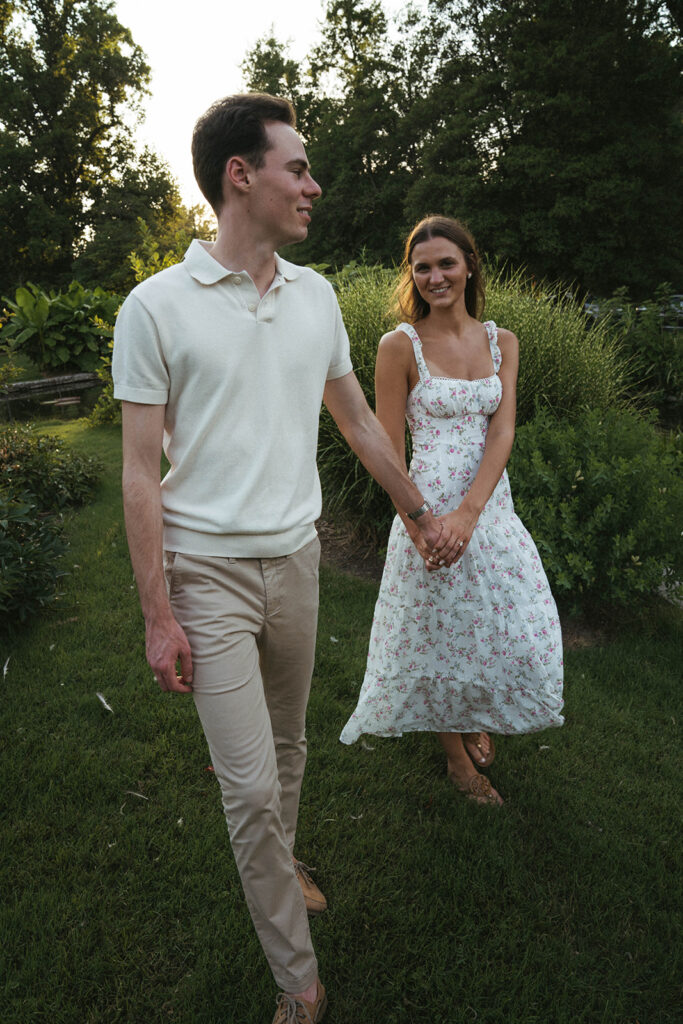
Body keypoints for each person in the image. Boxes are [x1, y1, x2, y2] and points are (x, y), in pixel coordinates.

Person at [112, 96, 458, 1024]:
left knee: (290, 749)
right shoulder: (154, 307)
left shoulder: (312, 300)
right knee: (248, 782)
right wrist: (158, 614)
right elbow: (140, 476)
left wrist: (420, 510)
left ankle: (281, 865)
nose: (313, 184)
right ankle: (296, 980)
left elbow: (352, 420)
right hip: (205, 574)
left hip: (295, 562)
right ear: (241, 176)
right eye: (297, 167)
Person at [340, 216, 564, 804]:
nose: (435, 276)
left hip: (487, 503)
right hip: (426, 508)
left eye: (445, 263)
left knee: (496, 621)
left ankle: (472, 713)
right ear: (411, 275)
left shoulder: (502, 341)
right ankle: (457, 762)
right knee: (434, 631)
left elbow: (503, 432)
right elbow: (387, 446)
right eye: (422, 267)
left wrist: (471, 513)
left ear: (469, 265)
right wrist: (421, 523)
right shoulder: (400, 345)